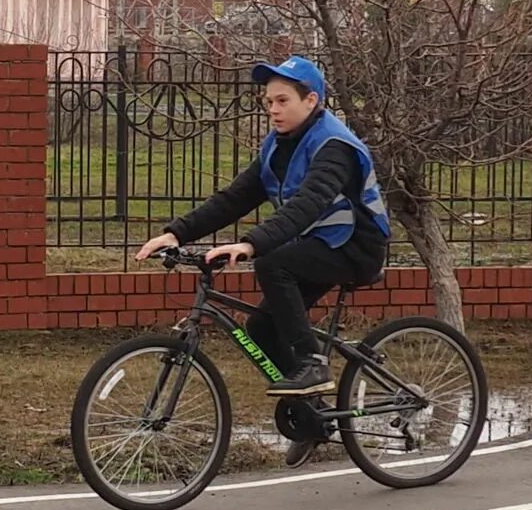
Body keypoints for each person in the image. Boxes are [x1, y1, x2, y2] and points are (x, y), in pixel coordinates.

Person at [135, 54, 391, 466]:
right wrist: (176, 232)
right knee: (260, 326)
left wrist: (252, 244)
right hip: (318, 244)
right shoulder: (278, 145)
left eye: (282, 100)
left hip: (355, 246)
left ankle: (313, 364)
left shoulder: (334, 146)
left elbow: (307, 205)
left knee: (273, 264)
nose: (272, 109)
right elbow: (235, 197)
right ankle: (312, 418)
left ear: (311, 101)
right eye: (268, 101)